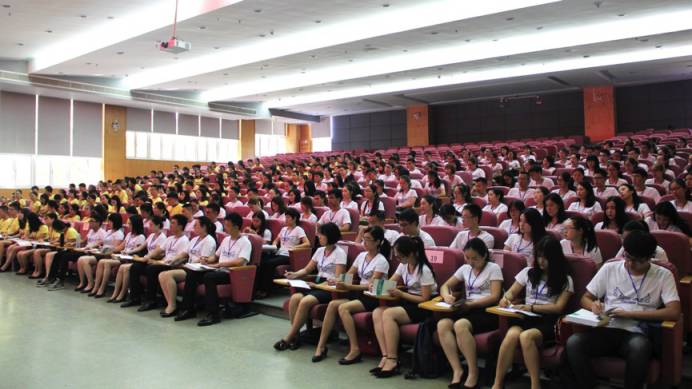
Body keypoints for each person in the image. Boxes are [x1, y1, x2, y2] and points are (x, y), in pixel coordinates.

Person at [565, 230, 680, 389]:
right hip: (607, 328)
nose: (629, 264)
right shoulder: (610, 268)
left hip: (636, 331)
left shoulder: (663, 275)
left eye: (636, 261)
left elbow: (673, 312)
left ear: (649, 258)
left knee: (639, 347)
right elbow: (585, 298)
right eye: (627, 257)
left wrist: (629, 314)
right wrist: (594, 306)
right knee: (574, 343)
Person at [493, 236, 574, 389]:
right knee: (511, 335)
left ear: (555, 258)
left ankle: (535, 385)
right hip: (525, 317)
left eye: (546, 257)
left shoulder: (565, 279)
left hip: (548, 321)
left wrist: (531, 307)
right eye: (539, 256)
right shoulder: (528, 272)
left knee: (526, 336)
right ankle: (497, 383)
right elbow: (510, 293)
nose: (541, 261)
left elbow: (558, 308)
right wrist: (506, 299)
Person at [306, 226, 391, 363]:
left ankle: (355, 349)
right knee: (333, 304)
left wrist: (348, 286)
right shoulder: (361, 256)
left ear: (378, 242)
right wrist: (337, 280)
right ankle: (321, 346)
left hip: (372, 297)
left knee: (343, 307)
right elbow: (349, 275)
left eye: (368, 239)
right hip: (358, 293)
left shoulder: (381, 261)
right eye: (364, 239)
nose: (364, 242)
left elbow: (370, 285)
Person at [438, 238, 503, 388]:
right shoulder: (464, 269)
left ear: (484, 255)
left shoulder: (493, 268)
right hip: (466, 308)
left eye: (475, 258)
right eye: (467, 258)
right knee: (442, 324)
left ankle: (473, 372)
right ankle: (457, 370)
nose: (471, 262)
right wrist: (447, 296)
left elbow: (495, 296)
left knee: (460, 325)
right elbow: (445, 286)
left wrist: (472, 304)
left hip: (486, 310)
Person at [370, 236, 437, 378]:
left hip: (423, 306)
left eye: (399, 256)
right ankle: (386, 355)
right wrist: (376, 286)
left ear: (411, 254)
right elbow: (391, 281)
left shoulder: (424, 270)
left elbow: (425, 299)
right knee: (377, 312)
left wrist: (401, 294)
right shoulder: (403, 265)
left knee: (388, 314)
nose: (397, 258)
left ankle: (393, 359)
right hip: (408, 302)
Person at [275, 223, 346, 358]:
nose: (318, 237)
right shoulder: (320, 250)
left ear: (329, 236)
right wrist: (294, 274)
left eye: (321, 234)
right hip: (316, 283)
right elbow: (307, 270)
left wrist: (318, 285)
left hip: (328, 288)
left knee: (306, 300)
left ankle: (289, 337)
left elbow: (337, 278)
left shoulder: (340, 253)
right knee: (295, 298)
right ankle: (296, 337)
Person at [175, 213, 252, 325]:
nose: (225, 228)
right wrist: (207, 259)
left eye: (227, 225)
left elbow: (240, 261)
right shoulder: (226, 240)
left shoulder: (245, 242)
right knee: (192, 274)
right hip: (219, 269)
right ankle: (188, 309)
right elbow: (215, 256)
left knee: (209, 277)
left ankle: (213, 314)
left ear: (236, 227)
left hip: (232, 273)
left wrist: (219, 265)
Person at [121, 214, 190, 310]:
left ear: (180, 226)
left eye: (173, 223)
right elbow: (159, 250)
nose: (170, 225)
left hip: (171, 265)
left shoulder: (184, 240)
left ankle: (151, 300)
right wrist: (147, 257)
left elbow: (180, 258)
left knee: (151, 269)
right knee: (136, 267)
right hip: (163, 262)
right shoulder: (170, 238)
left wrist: (157, 262)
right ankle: (135, 298)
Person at [157, 216, 217, 317]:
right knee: (162, 275)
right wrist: (173, 259)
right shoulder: (194, 239)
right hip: (189, 267)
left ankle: (172, 306)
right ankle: (171, 304)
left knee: (167, 275)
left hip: (197, 270)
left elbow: (203, 259)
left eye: (196, 225)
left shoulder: (209, 240)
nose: (193, 227)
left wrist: (187, 265)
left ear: (204, 227)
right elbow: (184, 253)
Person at [109, 216, 167, 303]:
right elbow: (141, 247)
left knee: (140, 268)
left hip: (153, 259)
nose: (149, 226)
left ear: (158, 225)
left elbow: (158, 252)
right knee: (134, 268)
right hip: (146, 259)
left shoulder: (162, 237)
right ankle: (134, 297)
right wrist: (129, 252)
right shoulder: (151, 235)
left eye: (151, 225)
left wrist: (146, 258)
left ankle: (149, 300)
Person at [256, 208, 310, 298]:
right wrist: (273, 246)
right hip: (279, 252)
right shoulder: (284, 229)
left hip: (288, 255)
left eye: (288, 217)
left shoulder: (298, 229)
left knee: (269, 263)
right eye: (286, 217)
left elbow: (307, 243)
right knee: (261, 261)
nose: (286, 219)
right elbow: (276, 241)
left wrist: (295, 247)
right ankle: (258, 288)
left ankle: (266, 290)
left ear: (294, 218)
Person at [44, 215, 107, 291]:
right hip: (83, 250)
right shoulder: (91, 231)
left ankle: (61, 281)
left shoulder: (102, 232)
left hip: (90, 253)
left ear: (98, 223)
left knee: (65, 256)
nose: (90, 223)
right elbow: (83, 241)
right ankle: (51, 277)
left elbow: (102, 244)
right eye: (89, 221)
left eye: (92, 221)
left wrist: (93, 246)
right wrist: (74, 243)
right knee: (58, 254)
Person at [89, 214, 146, 298]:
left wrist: (123, 253)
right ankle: (98, 287)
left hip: (130, 259)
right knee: (101, 262)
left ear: (135, 224)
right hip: (122, 256)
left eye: (130, 224)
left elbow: (137, 252)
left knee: (108, 263)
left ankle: (119, 293)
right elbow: (120, 247)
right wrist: (108, 251)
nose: (128, 226)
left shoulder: (141, 237)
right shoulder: (129, 234)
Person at [76, 213, 125, 294]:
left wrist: (104, 250)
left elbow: (115, 248)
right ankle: (84, 283)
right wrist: (97, 247)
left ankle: (92, 285)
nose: (108, 223)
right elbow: (102, 242)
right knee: (80, 259)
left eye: (110, 221)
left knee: (84, 260)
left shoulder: (119, 233)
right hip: (101, 253)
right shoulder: (109, 231)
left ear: (115, 222)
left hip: (108, 255)